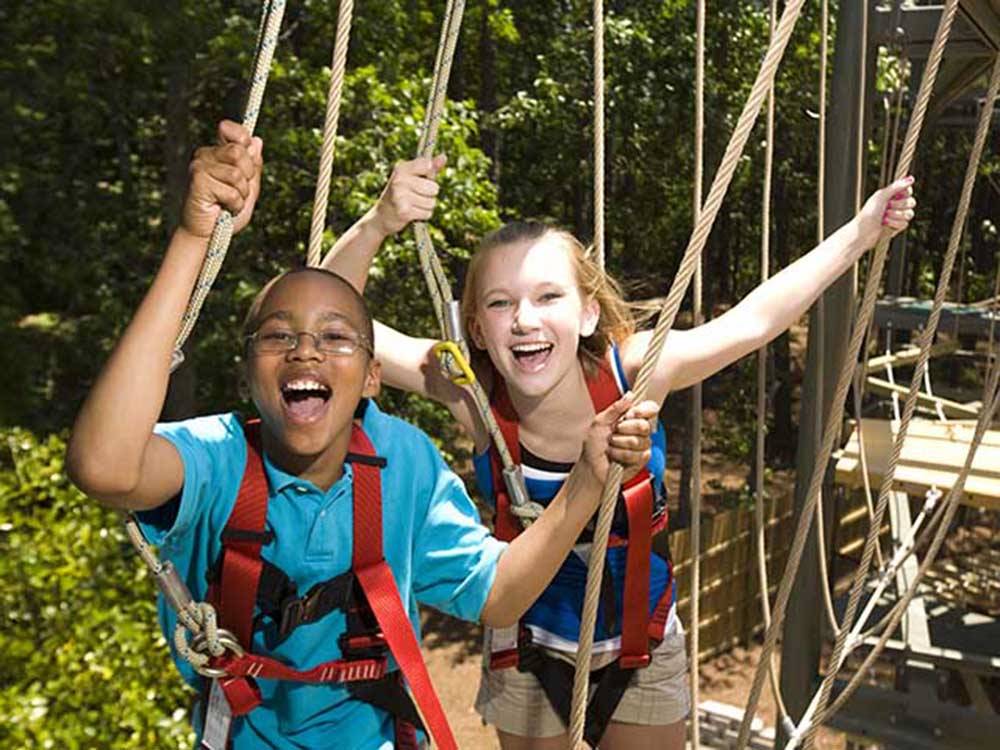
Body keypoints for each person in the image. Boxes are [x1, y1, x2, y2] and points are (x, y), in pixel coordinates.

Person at [65, 120, 660, 750]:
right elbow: (103, 466)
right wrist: (193, 240)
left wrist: (588, 479)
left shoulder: (402, 464)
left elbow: (498, 595)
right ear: (248, 373)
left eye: (335, 339)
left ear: (373, 375)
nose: (305, 352)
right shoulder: (218, 460)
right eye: (278, 336)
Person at [322, 156, 917, 749]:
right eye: (500, 304)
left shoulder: (633, 373)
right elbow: (330, 326)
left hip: (641, 642)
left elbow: (755, 321)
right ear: (477, 328)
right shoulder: (474, 395)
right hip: (525, 648)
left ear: (586, 313)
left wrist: (863, 230)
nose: (525, 320)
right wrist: (377, 223)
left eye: (548, 296)